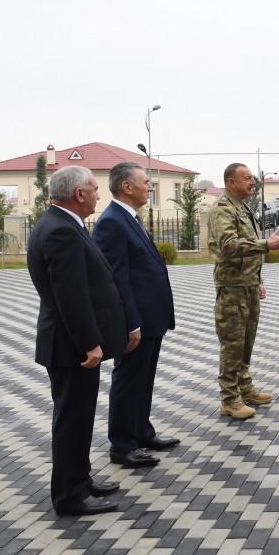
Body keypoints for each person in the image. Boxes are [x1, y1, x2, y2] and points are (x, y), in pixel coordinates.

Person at [27, 165, 127, 515]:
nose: (99, 195)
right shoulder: (60, 230)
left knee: (80, 417)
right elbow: (70, 294)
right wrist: (90, 342)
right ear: (79, 193)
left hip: (70, 343)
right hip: (70, 346)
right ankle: (69, 496)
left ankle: (81, 480)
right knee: (72, 420)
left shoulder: (62, 224)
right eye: (94, 189)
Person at [92, 162, 178, 470]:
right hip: (137, 320)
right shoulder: (112, 222)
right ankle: (122, 444)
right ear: (127, 186)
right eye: (146, 182)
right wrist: (132, 322)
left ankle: (142, 432)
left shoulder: (129, 218)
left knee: (144, 379)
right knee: (128, 380)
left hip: (151, 318)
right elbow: (117, 279)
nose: (150, 187)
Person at [209, 163, 279, 420]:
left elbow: (246, 249)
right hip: (232, 288)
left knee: (246, 342)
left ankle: (244, 388)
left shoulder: (241, 207)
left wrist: (258, 279)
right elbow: (229, 246)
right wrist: (266, 244)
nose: (252, 182)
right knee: (232, 343)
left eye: (252, 178)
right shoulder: (222, 209)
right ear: (231, 182)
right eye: (247, 178)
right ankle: (229, 399)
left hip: (247, 284)